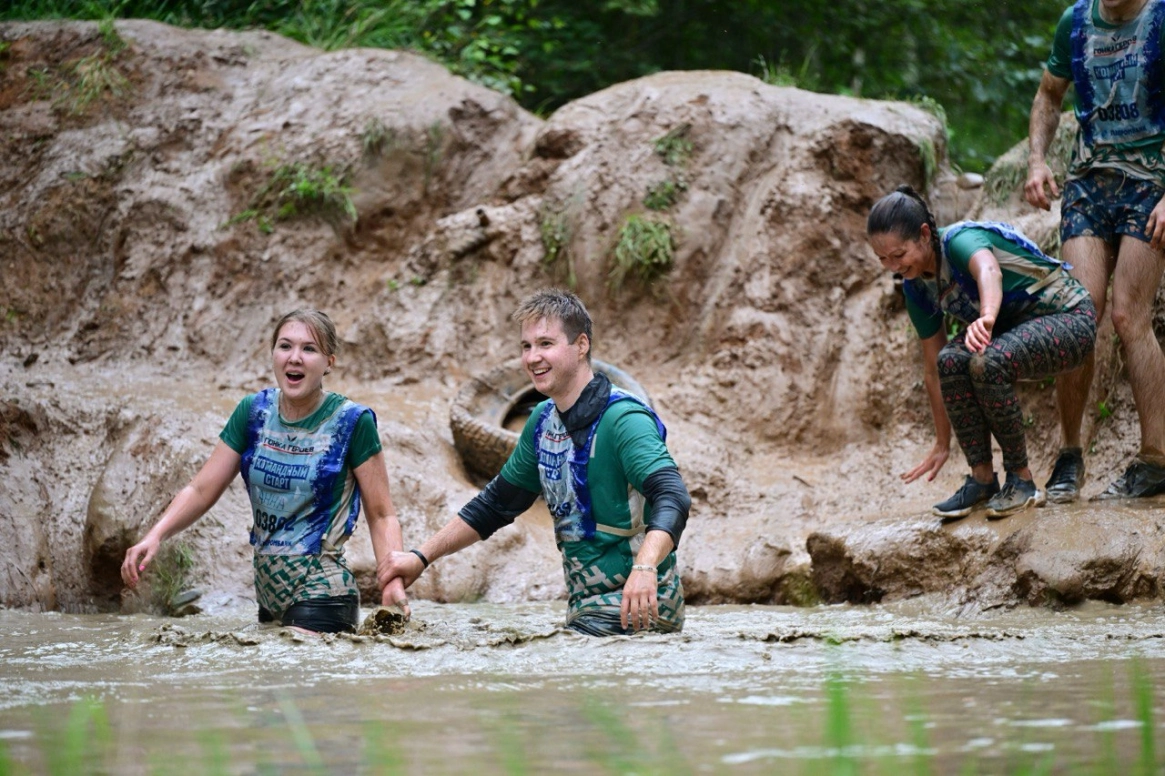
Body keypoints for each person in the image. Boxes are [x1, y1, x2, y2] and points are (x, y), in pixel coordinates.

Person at [377, 289, 690, 636]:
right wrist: (420, 558)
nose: (532, 357)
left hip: (643, 604)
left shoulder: (624, 418)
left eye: (545, 344)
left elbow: (673, 496)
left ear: (581, 345)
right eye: (526, 346)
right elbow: (496, 505)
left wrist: (645, 569)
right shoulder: (543, 421)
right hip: (588, 612)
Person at [121, 309, 409, 633]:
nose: (295, 358)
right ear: (273, 354)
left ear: (330, 362)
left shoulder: (353, 422)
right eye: (285, 346)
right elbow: (201, 490)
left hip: (324, 592)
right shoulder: (253, 412)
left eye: (309, 349)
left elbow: (382, 514)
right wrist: (155, 535)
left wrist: (392, 579)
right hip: (268, 595)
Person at [868, 186, 1097, 520]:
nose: (892, 266)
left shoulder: (958, 240)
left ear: (923, 234)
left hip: (1069, 318)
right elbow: (934, 369)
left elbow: (989, 270)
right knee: (951, 360)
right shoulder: (916, 286)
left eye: (899, 255)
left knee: (986, 359)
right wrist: (942, 443)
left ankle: (1022, 482)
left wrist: (987, 318)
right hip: (1011, 335)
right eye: (883, 259)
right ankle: (982, 479)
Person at [1025, 0, 1165, 501]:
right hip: (1088, 181)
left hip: (1152, 178)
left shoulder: (1161, 18)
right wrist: (1037, 161)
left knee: (1130, 316)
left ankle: (1155, 459)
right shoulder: (1075, 21)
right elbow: (1048, 95)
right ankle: (1069, 454)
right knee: (1078, 317)